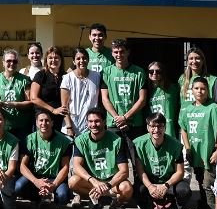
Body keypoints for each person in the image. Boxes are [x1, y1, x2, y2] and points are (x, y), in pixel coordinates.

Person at [178, 77, 217, 209]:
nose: (200, 91)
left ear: (208, 91)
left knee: (209, 184)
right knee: (201, 182)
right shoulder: (186, 109)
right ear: (191, 91)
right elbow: (184, 129)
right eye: (196, 88)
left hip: (210, 153)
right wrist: (187, 148)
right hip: (195, 153)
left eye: (203, 88)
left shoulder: (214, 108)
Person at [70, 107, 133, 209]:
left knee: (127, 188)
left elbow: (124, 171)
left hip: (111, 181)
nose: (94, 124)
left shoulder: (117, 140)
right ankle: (94, 201)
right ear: (87, 123)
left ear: (104, 122)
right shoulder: (80, 140)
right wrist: (95, 182)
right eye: (90, 121)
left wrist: (108, 185)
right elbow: (77, 166)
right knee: (73, 181)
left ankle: (116, 205)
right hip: (93, 181)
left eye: (97, 121)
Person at [134, 113, 190, 209]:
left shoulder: (175, 145)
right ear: (148, 127)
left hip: (168, 181)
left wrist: (166, 185)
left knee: (184, 190)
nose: (156, 130)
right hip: (150, 180)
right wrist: (150, 187)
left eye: (160, 126)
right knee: (136, 189)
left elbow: (180, 172)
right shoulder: (138, 143)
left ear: (165, 127)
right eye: (153, 126)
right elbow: (140, 171)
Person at [100, 39, 147, 172]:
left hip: (134, 123)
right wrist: (117, 118)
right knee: (113, 160)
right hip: (113, 124)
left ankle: (139, 189)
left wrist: (125, 117)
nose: (119, 55)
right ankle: (115, 189)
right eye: (116, 52)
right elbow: (105, 98)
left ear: (128, 52)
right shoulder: (106, 72)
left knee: (137, 159)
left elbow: (142, 100)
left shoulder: (139, 72)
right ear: (112, 53)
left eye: (122, 51)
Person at [15, 110, 71, 209]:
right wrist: (36, 182)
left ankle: (59, 203)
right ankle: (35, 199)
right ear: (36, 122)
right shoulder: (29, 139)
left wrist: (53, 185)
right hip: (36, 175)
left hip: (54, 177)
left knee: (63, 194)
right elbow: (22, 166)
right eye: (41, 120)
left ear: (52, 123)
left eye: (47, 120)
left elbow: (65, 167)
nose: (44, 123)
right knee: (18, 186)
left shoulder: (64, 141)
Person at [0, 49, 33, 142]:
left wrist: (13, 104)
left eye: (15, 61)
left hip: (21, 126)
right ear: (3, 63)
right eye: (8, 61)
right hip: (0, 126)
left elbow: (30, 103)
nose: (12, 63)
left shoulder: (25, 80)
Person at [60, 48, 100, 137]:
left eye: (84, 58)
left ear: (88, 60)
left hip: (92, 126)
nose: (81, 61)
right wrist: (69, 127)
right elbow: (64, 107)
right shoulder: (67, 78)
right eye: (78, 58)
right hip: (73, 127)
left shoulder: (96, 76)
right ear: (74, 61)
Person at [30, 46, 68, 132]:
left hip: (61, 120)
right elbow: (33, 98)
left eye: (56, 58)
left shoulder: (66, 76)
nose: (53, 60)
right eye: (50, 58)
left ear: (61, 60)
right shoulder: (40, 75)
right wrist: (53, 110)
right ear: (46, 60)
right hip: (43, 119)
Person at [147, 61, 181, 139]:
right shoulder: (147, 91)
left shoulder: (172, 88)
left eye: (158, 71)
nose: (154, 73)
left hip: (169, 129)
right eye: (151, 71)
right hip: (154, 129)